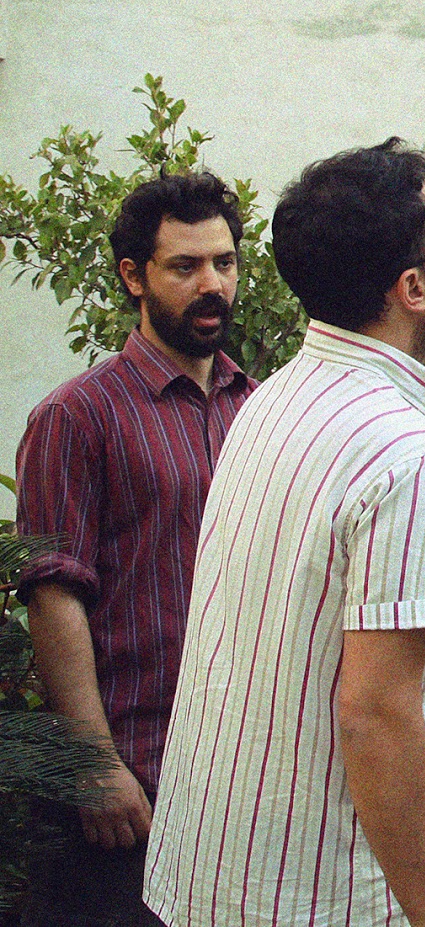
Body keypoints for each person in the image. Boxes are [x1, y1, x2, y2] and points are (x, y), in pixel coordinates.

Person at [143, 139, 425, 927]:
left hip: (208, 875)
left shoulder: (270, 400)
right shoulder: (411, 458)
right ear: (413, 287)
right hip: (319, 896)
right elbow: (376, 716)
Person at [14, 172, 256, 927]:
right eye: (185, 266)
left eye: (223, 262)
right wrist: (94, 765)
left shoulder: (260, 410)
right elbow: (53, 595)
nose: (211, 284)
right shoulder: (76, 416)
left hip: (238, 787)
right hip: (130, 790)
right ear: (133, 276)